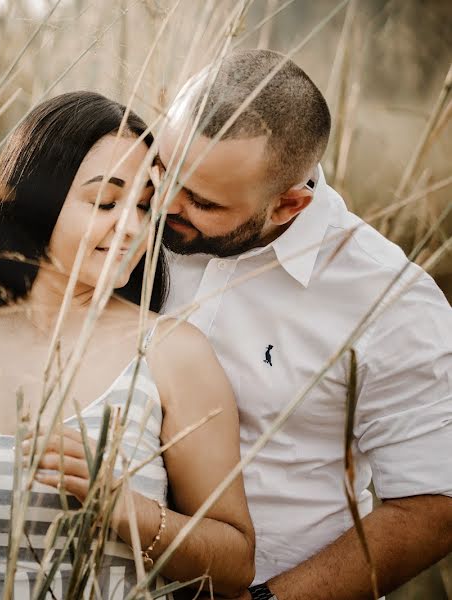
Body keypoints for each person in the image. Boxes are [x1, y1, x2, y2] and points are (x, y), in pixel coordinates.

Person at [0, 91, 256, 599]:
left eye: (145, 205)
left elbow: (235, 566)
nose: (132, 227)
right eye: (105, 201)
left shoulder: (171, 353)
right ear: (37, 200)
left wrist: (119, 505)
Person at [152, 50, 452, 599]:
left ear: (288, 205)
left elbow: (432, 504)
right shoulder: (122, 229)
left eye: (202, 201)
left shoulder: (390, 301)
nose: (165, 203)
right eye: (166, 169)